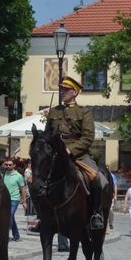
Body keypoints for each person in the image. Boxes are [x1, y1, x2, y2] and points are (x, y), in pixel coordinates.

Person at [43, 75, 108, 230]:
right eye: (61, 89)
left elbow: (88, 138)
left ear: (75, 92)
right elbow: (47, 136)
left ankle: (96, 214)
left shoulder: (84, 113)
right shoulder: (53, 112)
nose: (62, 92)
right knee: (36, 179)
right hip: (55, 157)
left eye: (66, 89)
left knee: (98, 179)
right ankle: (43, 216)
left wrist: (70, 150)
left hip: (79, 156)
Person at [2, 158, 27, 241]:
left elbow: (23, 189)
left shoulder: (18, 176)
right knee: (11, 216)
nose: (8, 166)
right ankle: (16, 235)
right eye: (7, 165)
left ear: (14, 165)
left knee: (9, 216)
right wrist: (3, 165)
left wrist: (24, 201)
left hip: (14, 199)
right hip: (5, 199)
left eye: (10, 165)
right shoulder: (4, 174)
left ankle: (4, 235)